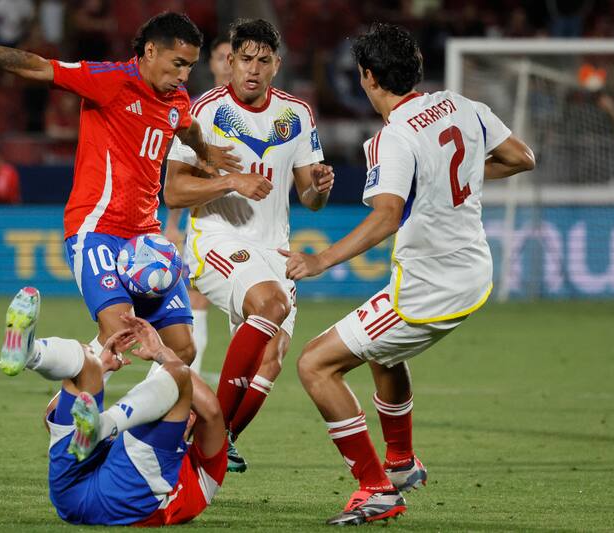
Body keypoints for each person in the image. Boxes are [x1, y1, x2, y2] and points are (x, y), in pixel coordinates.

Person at [278, 23, 535, 525]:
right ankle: (399, 463)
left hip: (428, 290)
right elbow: (521, 158)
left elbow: (385, 217)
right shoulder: (462, 105)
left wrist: (318, 260)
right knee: (382, 352)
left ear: (368, 77)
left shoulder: (392, 138)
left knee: (314, 364)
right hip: (472, 271)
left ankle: (376, 490)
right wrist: (456, 177)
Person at [0, 13, 241, 375]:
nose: (184, 76)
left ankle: (53, 371)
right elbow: (37, 66)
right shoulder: (110, 80)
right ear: (150, 51)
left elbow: (186, 126)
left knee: (182, 348)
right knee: (118, 334)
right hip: (98, 228)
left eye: (190, 66)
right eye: (178, 63)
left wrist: (204, 151)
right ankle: (37, 356)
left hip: (146, 236)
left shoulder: (176, 98)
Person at [164, 19, 334, 472]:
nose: (253, 69)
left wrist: (319, 188)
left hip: (273, 249)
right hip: (217, 240)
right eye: (244, 60)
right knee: (271, 305)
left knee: (272, 357)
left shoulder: (297, 114)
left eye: (263, 61)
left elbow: (310, 199)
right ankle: (212, 434)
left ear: (276, 64)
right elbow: (173, 191)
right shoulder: (205, 111)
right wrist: (230, 181)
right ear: (231, 62)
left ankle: (214, 443)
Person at [0, 287, 227, 526]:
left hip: (127, 501)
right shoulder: (120, 440)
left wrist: (162, 352)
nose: (187, 413)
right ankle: (30, 353)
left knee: (179, 373)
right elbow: (54, 416)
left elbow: (212, 411)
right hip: (70, 494)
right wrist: (102, 367)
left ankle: (102, 423)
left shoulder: (204, 467)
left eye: (189, 411)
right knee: (87, 360)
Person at [163, 35, 233, 377]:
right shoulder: (198, 111)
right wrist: (172, 224)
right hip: (205, 219)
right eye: (221, 57)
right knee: (196, 298)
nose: (228, 64)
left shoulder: (258, 110)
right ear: (212, 64)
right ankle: (188, 378)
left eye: (233, 57)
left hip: (248, 221)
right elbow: (181, 174)